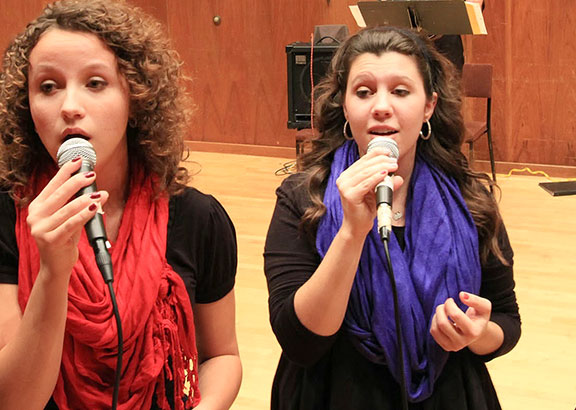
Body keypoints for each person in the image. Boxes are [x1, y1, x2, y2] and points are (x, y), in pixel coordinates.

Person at [0, 1, 241, 409]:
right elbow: (14, 400)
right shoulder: (8, 216)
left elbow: (222, 356)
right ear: (28, 108)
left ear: (136, 98)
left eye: (95, 83)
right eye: (48, 86)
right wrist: (53, 274)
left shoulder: (199, 218)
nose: (69, 106)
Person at [263, 26, 520, 409]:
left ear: (429, 106)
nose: (381, 106)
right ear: (346, 107)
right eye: (364, 92)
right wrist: (351, 232)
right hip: (332, 393)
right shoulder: (303, 197)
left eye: (400, 91)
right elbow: (300, 342)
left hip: (446, 393)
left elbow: (506, 320)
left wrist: (477, 335)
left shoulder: (470, 200)